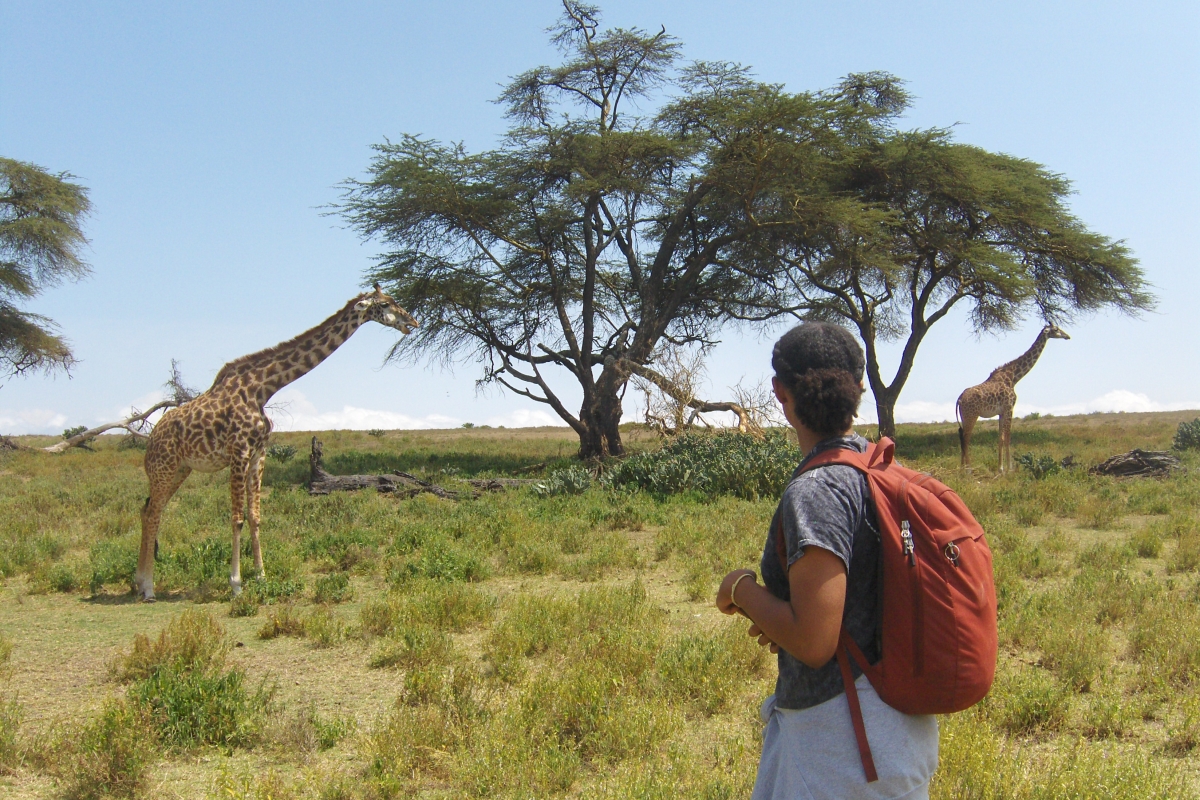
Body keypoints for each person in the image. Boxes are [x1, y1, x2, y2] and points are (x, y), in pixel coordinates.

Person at [716, 322, 938, 800]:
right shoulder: (883, 471)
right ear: (859, 389)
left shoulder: (817, 491)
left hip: (842, 745)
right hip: (901, 729)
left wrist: (741, 590)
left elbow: (815, 642)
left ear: (780, 392)